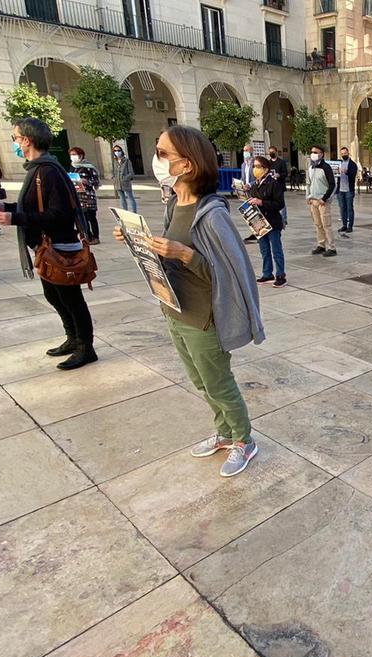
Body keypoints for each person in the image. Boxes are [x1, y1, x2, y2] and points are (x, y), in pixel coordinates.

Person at [114, 125, 265, 477]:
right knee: (200, 381)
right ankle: (225, 433)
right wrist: (139, 241)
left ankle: (245, 439)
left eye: (164, 153)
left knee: (218, 381)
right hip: (175, 310)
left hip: (204, 318)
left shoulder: (213, 214)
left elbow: (231, 276)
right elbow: (165, 256)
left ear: (187, 165)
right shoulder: (173, 206)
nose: (157, 159)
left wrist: (187, 255)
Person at [0, 118, 96, 371]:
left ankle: (86, 347)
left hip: (59, 246)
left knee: (71, 299)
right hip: (45, 246)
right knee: (53, 295)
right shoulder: (36, 169)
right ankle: (72, 338)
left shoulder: (48, 170)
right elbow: (35, 206)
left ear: (27, 140)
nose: (14, 142)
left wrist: (15, 218)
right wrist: (7, 208)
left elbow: (59, 214)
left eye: (16, 138)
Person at [248, 155, 287, 288]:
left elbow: (279, 204)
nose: (255, 169)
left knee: (276, 249)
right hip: (258, 221)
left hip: (272, 220)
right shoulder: (255, 184)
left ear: (265, 169)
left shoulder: (273, 183)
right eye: (254, 166)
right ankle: (267, 273)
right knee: (264, 249)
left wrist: (262, 202)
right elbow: (252, 199)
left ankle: (281, 275)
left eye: (258, 167)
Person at [305, 145, 337, 256]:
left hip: (323, 201)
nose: (313, 154)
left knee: (326, 224)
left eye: (316, 152)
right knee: (318, 224)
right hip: (313, 200)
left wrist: (325, 198)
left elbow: (332, 185)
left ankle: (332, 247)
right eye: (312, 151)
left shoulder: (326, 167)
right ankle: (321, 245)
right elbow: (308, 183)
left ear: (321, 154)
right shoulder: (311, 168)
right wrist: (308, 196)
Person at [69, 147, 102, 244]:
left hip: (88, 196)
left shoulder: (89, 167)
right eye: (71, 155)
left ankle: (96, 237)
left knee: (91, 217)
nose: (73, 157)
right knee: (83, 218)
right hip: (78, 197)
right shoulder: (73, 167)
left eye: (74, 154)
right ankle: (88, 236)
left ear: (81, 155)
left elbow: (96, 181)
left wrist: (86, 181)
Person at [335, 146, 359, 235]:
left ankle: (350, 226)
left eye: (345, 153)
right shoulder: (339, 163)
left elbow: (353, 175)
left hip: (349, 190)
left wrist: (346, 172)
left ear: (348, 153)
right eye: (342, 154)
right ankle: (344, 225)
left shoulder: (352, 164)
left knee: (349, 209)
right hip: (340, 190)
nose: (343, 155)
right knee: (342, 208)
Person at [111, 144, 138, 212]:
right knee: (122, 199)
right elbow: (114, 171)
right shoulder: (115, 161)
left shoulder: (127, 161)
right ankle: (125, 212)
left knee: (130, 197)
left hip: (125, 183)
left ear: (121, 151)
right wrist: (114, 178)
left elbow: (131, 173)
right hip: (117, 183)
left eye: (118, 150)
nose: (117, 152)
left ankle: (134, 212)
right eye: (115, 151)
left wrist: (125, 178)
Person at [268, 147, 289, 226]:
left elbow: (285, 173)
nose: (271, 153)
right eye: (270, 152)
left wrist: (279, 175)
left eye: (272, 152)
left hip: (279, 185)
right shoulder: (268, 163)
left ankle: (283, 218)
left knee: (281, 202)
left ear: (276, 152)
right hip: (271, 186)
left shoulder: (281, 162)